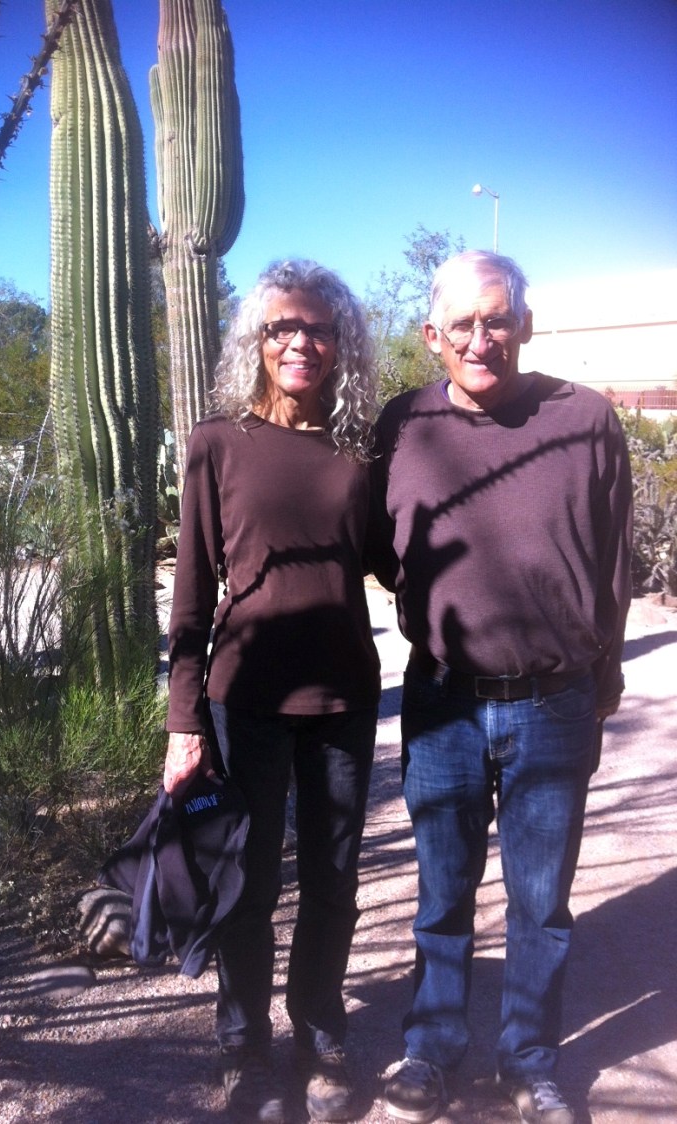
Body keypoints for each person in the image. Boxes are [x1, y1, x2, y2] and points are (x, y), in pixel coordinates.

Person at [372, 251, 633, 1124]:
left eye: (497, 319)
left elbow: (614, 558)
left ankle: (529, 1061)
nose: (481, 339)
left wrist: (606, 666)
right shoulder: (400, 423)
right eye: (462, 324)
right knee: (441, 894)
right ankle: (431, 1049)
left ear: (524, 322)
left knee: (539, 901)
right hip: (443, 698)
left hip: (555, 701)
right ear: (431, 336)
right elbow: (380, 545)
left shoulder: (587, 418)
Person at [164, 259, 381, 1124]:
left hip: (343, 699)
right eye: (281, 328)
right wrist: (185, 720)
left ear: (341, 342)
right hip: (242, 698)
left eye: (318, 328)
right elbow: (190, 592)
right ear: (256, 341)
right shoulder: (217, 443)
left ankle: (319, 1028)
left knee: (333, 877)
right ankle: (241, 1040)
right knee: (246, 884)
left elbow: (398, 561)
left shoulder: (360, 452)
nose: (301, 342)